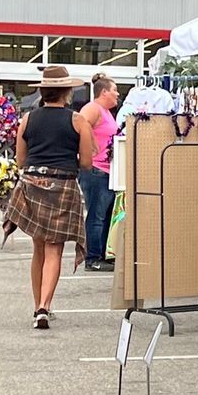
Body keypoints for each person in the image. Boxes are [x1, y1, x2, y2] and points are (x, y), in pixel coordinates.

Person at [4, 66, 94, 329]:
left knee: (38, 247)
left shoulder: (27, 119)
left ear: (42, 91)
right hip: (63, 185)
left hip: (32, 184)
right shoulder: (78, 120)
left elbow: (21, 160)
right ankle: (45, 306)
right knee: (55, 248)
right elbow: (87, 162)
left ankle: (37, 307)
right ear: (67, 91)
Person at [77, 75, 120, 271]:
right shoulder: (93, 108)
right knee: (97, 216)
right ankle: (92, 258)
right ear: (104, 92)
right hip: (96, 170)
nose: (118, 93)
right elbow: (79, 124)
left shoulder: (106, 112)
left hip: (107, 171)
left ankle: (102, 254)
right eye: (115, 90)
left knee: (105, 215)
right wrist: (89, 146)